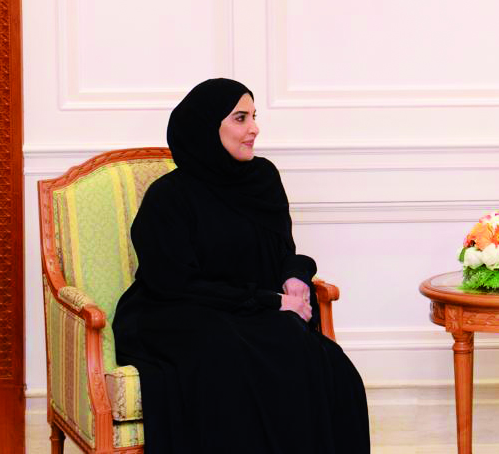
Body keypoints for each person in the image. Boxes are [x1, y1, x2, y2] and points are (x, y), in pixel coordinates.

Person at [113, 78, 370, 453]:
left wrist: (294, 277)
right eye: (240, 118)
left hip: (248, 309)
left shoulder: (262, 179)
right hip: (176, 311)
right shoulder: (168, 198)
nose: (254, 128)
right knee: (228, 355)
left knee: (330, 366)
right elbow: (175, 283)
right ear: (207, 127)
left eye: (254, 116)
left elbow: (283, 248)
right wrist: (270, 302)